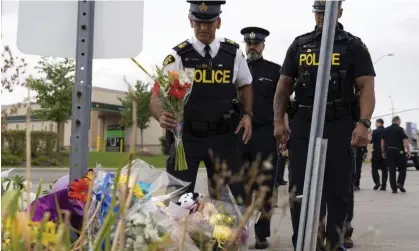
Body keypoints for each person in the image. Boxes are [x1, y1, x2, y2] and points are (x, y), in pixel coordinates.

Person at [273, 1, 376, 250]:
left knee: (339, 189)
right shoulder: (300, 45)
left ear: (339, 11)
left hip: (339, 122)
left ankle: (336, 242)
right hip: (304, 123)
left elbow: (366, 87)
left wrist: (363, 123)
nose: (322, 16)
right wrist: (278, 121)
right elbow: (284, 86)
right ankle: (307, 243)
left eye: (327, 11)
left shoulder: (353, 46)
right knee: (300, 186)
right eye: (318, 11)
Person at [150, 1, 253, 204]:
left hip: (224, 137)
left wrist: (248, 114)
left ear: (219, 22)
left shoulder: (233, 53)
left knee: (231, 201)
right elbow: (155, 95)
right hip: (187, 139)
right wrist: (161, 114)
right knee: (178, 199)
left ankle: (226, 236)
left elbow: (246, 85)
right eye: (198, 22)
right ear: (191, 22)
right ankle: (181, 236)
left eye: (209, 22)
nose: (203, 28)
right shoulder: (178, 56)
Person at [238, 26, 281, 249]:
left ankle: (261, 234)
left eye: (256, 44)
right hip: (239, 135)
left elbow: (282, 103)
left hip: (265, 134)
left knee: (265, 186)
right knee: (239, 186)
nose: (252, 47)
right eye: (249, 43)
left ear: (263, 45)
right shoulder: (236, 67)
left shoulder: (275, 71)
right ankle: (239, 230)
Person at [381, 116, 411, 193]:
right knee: (403, 168)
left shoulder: (385, 130)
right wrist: (408, 151)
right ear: (397, 121)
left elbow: (382, 142)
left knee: (392, 170)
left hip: (389, 151)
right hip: (399, 151)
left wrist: (383, 151)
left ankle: (394, 189)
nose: (400, 123)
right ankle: (400, 183)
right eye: (400, 121)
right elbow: (405, 142)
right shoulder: (400, 129)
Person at [371, 118, 387, 190]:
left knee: (374, 168)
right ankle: (384, 186)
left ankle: (377, 182)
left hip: (377, 151)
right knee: (384, 169)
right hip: (385, 152)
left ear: (379, 123)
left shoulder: (375, 131)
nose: (375, 124)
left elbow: (371, 141)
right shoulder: (387, 131)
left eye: (376, 123)